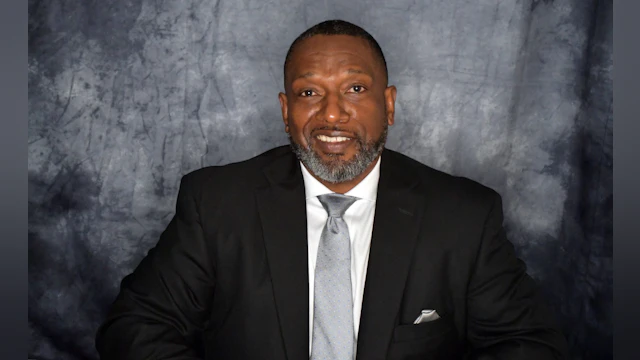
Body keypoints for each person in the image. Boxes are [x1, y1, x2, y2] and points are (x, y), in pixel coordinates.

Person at [96, 19, 570, 360]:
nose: (331, 114)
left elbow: (529, 344)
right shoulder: (217, 202)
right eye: (309, 93)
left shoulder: (463, 216)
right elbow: (136, 329)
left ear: (389, 104)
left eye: (355, 90)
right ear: (286, 110)